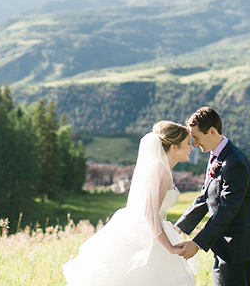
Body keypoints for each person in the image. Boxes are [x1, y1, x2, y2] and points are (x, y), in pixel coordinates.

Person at [63, 121, 199, 286]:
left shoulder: (164, 170)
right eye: (187, 143)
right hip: (147, 234)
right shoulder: (160, 170)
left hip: (156, 230)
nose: (192, 148)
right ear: (174, 147)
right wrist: (168, 247)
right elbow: (150, 213)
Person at [174, 107, 250, 286]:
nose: (194, 143)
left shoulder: (235, 162)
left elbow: (227, 209)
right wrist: (178, 227)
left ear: (212, 132)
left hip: (238, 248)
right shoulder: (215, 156)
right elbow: (205, 197)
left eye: (196, 137)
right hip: (225, 246)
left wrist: (197, 243)